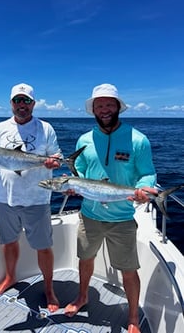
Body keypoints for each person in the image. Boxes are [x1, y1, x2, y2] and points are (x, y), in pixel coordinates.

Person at [64, 83, 157, 333]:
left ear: (118, 107)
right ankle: (82, 296)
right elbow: (79, 170)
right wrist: (73, 184)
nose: (104, 109)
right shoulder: (85, 139)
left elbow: (147, 174)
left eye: (109, 104)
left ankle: (134, 317)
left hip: (122, 217)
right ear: (93, 109)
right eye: (99, 105)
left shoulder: (138, 139)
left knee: (128, 270)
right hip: (89, 215)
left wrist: (145, 189)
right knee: (85, 260)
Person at [0, 83, 61, 312]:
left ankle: (49, 288)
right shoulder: (0, 128)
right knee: (8, 242)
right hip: (6, 198)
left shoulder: (45, 128)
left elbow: (56, 157)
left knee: (43, 246)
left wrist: (54, 162)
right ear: (11, 103)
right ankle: (10, 277)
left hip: (38, 198)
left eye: (26, 101)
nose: (22, 105)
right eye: (17, 100)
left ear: (33, 103)